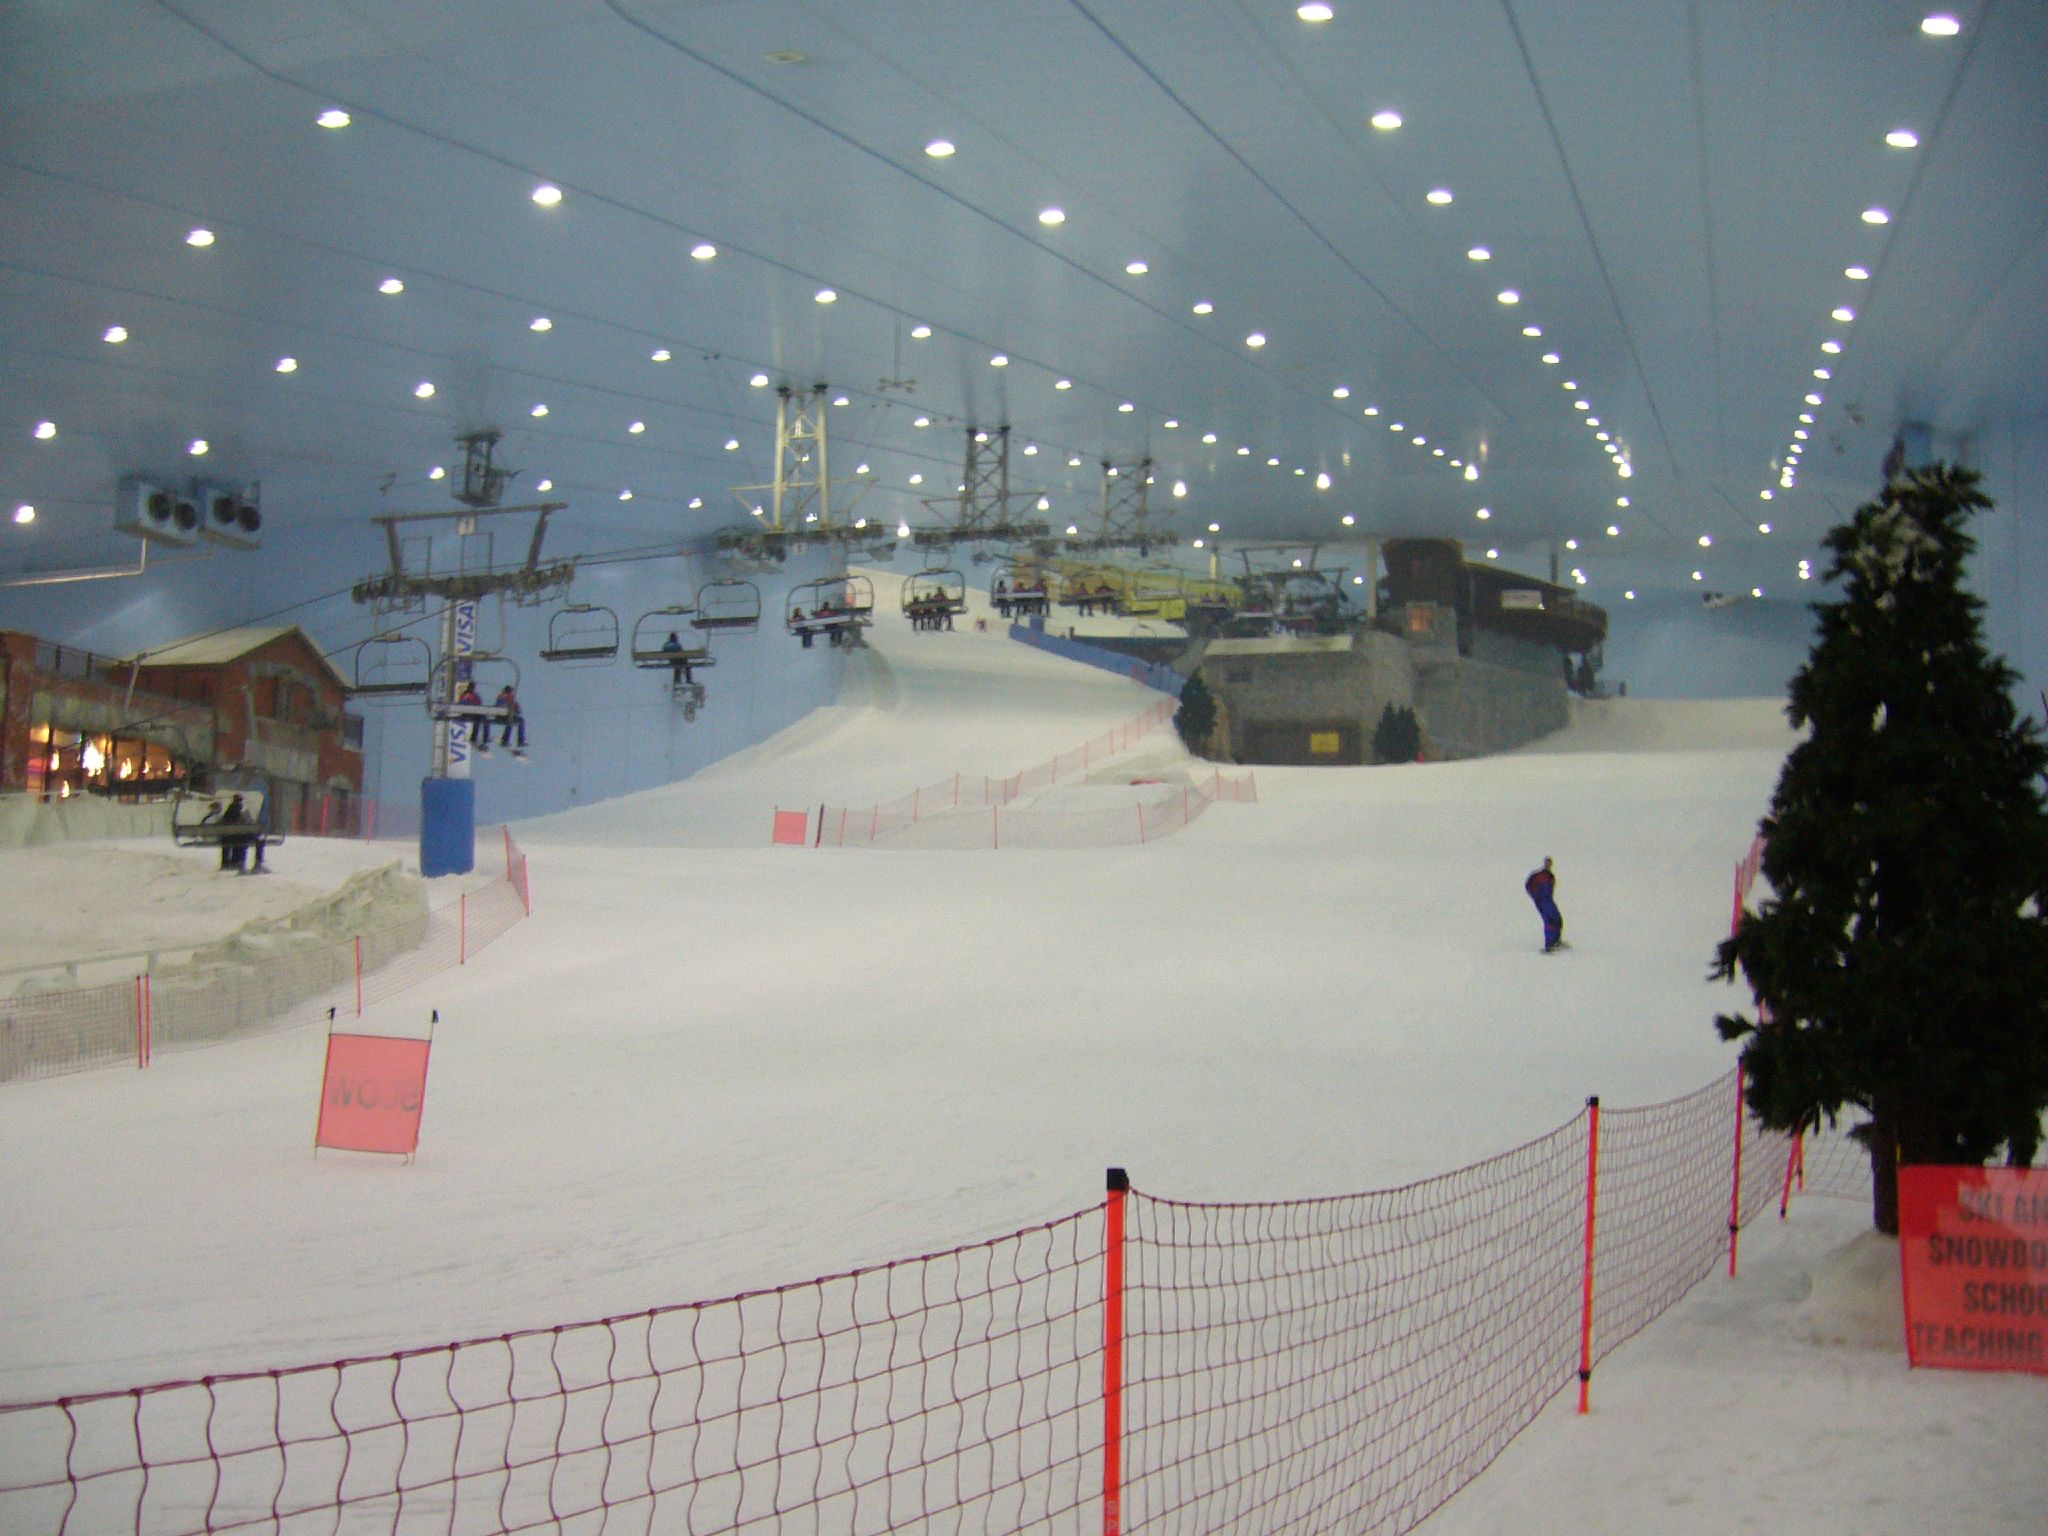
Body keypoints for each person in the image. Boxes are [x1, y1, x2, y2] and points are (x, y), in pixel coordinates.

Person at [1525, 856, 1565, 953]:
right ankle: (1549, 944)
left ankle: (1556, 941)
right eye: (1547, 863)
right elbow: (1528, 885)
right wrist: (1536, 895)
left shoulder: (1550, 876)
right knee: (1550, 920)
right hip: (1542, 901)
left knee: (1557, 919)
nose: (1548, 865)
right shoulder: (1538, 875)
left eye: (1550, 863)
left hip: (1548, 900)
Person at [494, 683, 526, 754]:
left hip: (507, 716)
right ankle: (508, 740)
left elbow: (517, 708)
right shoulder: (503, 698)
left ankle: (518, 740)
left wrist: (516, 708)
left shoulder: (509, 698)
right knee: (512, 721)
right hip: (502, 716)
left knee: (518, 721)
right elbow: (500, 706)